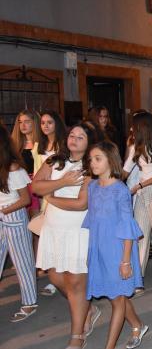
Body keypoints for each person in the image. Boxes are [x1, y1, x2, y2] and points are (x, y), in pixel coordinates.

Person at [33, 121, 102, 349]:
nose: (74, 139)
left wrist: (50, 197)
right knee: (56, 278)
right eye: (72, 135)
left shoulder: (91, 166)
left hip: (77, 230)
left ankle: (77, 335)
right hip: (53, 229)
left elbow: (81, 204)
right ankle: (88, 309)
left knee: (75, 283)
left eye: (80, 137)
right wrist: (62, 181)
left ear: (89, 143)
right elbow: (35, 187)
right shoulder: (54, 160)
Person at [84, 141, 147, 349]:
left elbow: (127, 228)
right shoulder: (92, 187)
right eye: (91, 159)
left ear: (110, 161)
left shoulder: (121, 190)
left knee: (117, 299)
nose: (92, 163)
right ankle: (138, 325)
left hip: (118, 252)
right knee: (114, 295)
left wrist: (126, 261)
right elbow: (93, 222)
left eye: (98, 159)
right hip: (99, 250)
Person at [123, 111, 152, 295]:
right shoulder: (136, 146)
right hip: (142, 193)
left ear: (142, 127)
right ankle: (138, 278)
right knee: (140, 235)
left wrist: (139, 185)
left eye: (134, 126)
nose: (131, 129)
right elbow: (125, 170)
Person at [0, 121, 37, 322]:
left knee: (22, 261)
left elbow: (25, 199)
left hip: (14, 216)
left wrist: (4, 210)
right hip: (2, 216)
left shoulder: (13, 168)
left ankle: (30, 302)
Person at [36, 110, 68, 297]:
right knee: (48, 236)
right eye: (43, 122)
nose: (46, 125)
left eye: (49, 122)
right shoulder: (40, 145)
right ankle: (54, 276)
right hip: (45, 193)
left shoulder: (62, 145)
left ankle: (60, 278)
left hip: (59, 191)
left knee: (59, 237)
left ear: (57, 123)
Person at [12, 109, 42, 214]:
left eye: (27, 121)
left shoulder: (42, 143)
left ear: (35, 122)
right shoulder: (16, 144)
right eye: (20, 122)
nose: (22, 125)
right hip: (20, 186)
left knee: (37, 218)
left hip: (37, 185)